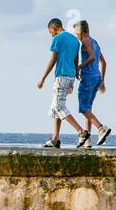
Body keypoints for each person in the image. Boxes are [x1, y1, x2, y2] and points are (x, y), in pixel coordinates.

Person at [36, 18, 90, 148]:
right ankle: (55, 139)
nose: (51, 35)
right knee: (57, 107)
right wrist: (73, 79)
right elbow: (76, 59)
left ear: (54, 28)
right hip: (70, 76)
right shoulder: (75, 40)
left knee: (58, 107)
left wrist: (43, 78)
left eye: (51, 32)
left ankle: (81, 131)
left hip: (61, 76)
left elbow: (53, 59)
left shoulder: (58, 38)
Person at [75, 20, 112, 147]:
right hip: (97, 77)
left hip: (88, 78)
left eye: (76, 33)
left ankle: (101, 128)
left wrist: (79, 66)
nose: (76, 35)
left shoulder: (85, 41)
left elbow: (91, 57)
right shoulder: (95, 42)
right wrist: (102, 80)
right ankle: (87, 140)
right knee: (88, 109)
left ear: (80, 32)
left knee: (83, 108)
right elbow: (104, 62)